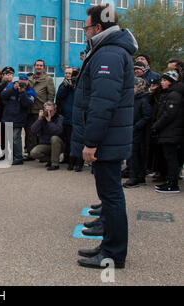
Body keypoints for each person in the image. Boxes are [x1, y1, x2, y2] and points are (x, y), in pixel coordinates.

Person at [73, 4, 137, 269]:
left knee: (111, 198)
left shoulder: (108, 54)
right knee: (110, 196)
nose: (84, 33)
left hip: (107, 141)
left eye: (86, 28)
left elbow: (102, 102)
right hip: (111, 140)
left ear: (98, 28)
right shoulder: (108, 50)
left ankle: (112, 254)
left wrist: (91, 141)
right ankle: (108, 246)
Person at [151, 70, 183, 193]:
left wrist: (156, 126)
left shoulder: (174, 94)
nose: (162, 83)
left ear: (171, 82)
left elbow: (169, 114)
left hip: (171, 132)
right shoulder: (170, 93)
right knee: (169, 158)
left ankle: (172, 184)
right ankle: (170, 182)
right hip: (170, 131)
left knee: (171, 159)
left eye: (164, 80)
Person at [0, 73, 36, 165]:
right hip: (8, 116)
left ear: (27, 81)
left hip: (19, 118)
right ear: (18, 80)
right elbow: (2, 96)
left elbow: (27, 104)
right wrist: (13, 89)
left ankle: (18, 157)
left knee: (16, 138)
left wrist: (22, 93)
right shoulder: (12, 86)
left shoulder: (30, 91)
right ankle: (13, 156)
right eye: (21, 81)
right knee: (10, 139)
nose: (22, 83)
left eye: (25, 81)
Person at [123, 77, 152, 188]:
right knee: (133, 155)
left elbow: (147, 116)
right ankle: (137, 176)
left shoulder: (143, 100)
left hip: (138, 132)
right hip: (131, 130)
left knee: (135, 155)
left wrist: (136, 126)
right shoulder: (133, 99)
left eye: (134, 86)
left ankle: (135, 177)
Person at [56, 67, 84, 171]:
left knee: (79, 140)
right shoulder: (64, 85)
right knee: (68, 140)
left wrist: (76, 85)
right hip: (67, 117)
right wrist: (67, 86)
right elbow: (59, 97)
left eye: (71, 74)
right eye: (67, 73)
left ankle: (79, 162)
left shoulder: (82, 84)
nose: (69, 76)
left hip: (79, 117)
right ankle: (68, 159)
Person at [26, 59, 56, 157]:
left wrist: (48, 110)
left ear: (43, 67)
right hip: (30, 110)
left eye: (41, 66)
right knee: (30, 132)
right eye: (37, 65)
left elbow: (51, 95)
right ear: (34, 67)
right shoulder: (30, 79)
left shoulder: (48, 79)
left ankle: (41, 154)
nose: (38, 67)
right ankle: (30, 153)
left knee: (40, 133)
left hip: (41, 110)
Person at [30, 102, 64, 170]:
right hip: (46, 145)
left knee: (54, 138)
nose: (48, 113)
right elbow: (33, 130)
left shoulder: (59, 118)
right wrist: (39, 119)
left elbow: (58, 131)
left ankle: (55, 164)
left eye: (50, 111)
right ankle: (51, 159)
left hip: (59, 145)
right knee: (34, 153)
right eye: (46, 110)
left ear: (55, 110)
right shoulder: (42, 118)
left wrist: (49, 122)